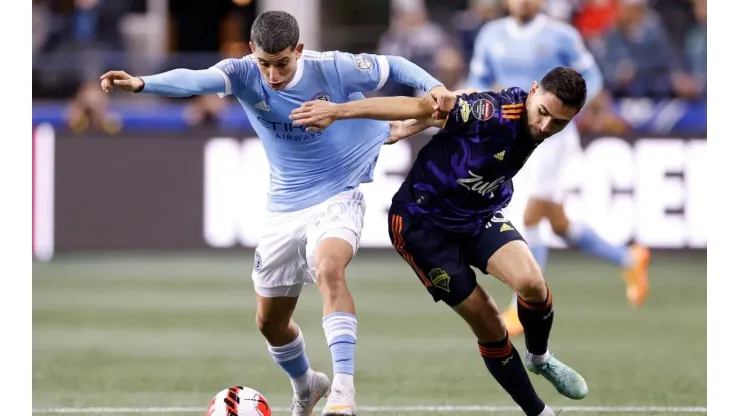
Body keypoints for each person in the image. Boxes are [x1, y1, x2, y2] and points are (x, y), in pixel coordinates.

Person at [99, 10, 455, 416]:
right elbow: (195, 79)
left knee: (329, 268)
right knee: (269, 322)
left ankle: (342, 390)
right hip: (284, 207)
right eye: (264, 63)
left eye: (282, 63)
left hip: (340, 193)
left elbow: (396, 66)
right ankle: (307, 384)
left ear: (298, 50)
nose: (271, 74)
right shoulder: (243, 72)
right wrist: (143, 83)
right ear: (253, 52)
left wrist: (436, 85)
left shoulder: (332, 67)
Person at [290, 66, 589, 416]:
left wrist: (421, 124)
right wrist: (340, 112)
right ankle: (539, 412)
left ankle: (539, 358)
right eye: (543, 114)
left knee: (533, 285)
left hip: (477, 215)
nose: (545, 127)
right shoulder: (491, 113)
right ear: (534, 90)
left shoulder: (531, 116)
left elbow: (451, 108)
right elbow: (428, 105)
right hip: (421, 226)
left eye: (559, 123)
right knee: (490, 323)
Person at [467, 0, 650, 337]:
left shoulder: (561, 36)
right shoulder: (490, 35)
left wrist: (568, 112)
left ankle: (523, 305)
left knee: (530, 214)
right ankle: (629, 258)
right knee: (557, 222)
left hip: (551, 136)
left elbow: (591, 76)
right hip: (511, 134)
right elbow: (478, 81)